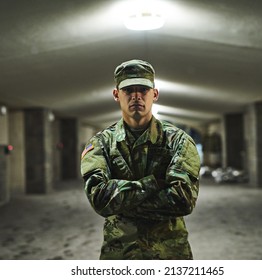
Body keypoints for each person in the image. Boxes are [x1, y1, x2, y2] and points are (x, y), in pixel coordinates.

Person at [80, 59, 200, 260]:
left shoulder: (178, 140)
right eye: (128, 90)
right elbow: (100, 200)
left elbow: (182, 200)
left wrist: (122, 202)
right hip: (120, 255)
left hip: (169, 255)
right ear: (116, 95)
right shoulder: (101, 143)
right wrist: (153, 183)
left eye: (143, 89)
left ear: (155, 94)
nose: (136, 96)